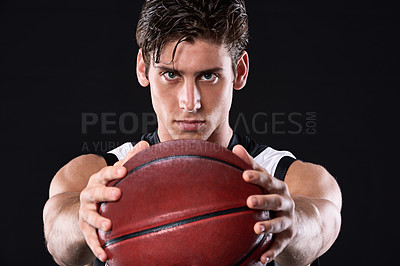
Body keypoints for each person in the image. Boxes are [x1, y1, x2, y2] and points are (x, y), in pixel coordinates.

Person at [43, 0, 342, 265]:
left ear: (240, 72)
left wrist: (290, 218)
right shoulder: (97, 177)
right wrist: (85, 215)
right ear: (142, 68)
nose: (190, 102)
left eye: (208, 76)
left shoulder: (289, 180)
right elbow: (59, 237)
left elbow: (321, 223)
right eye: (171, 75)